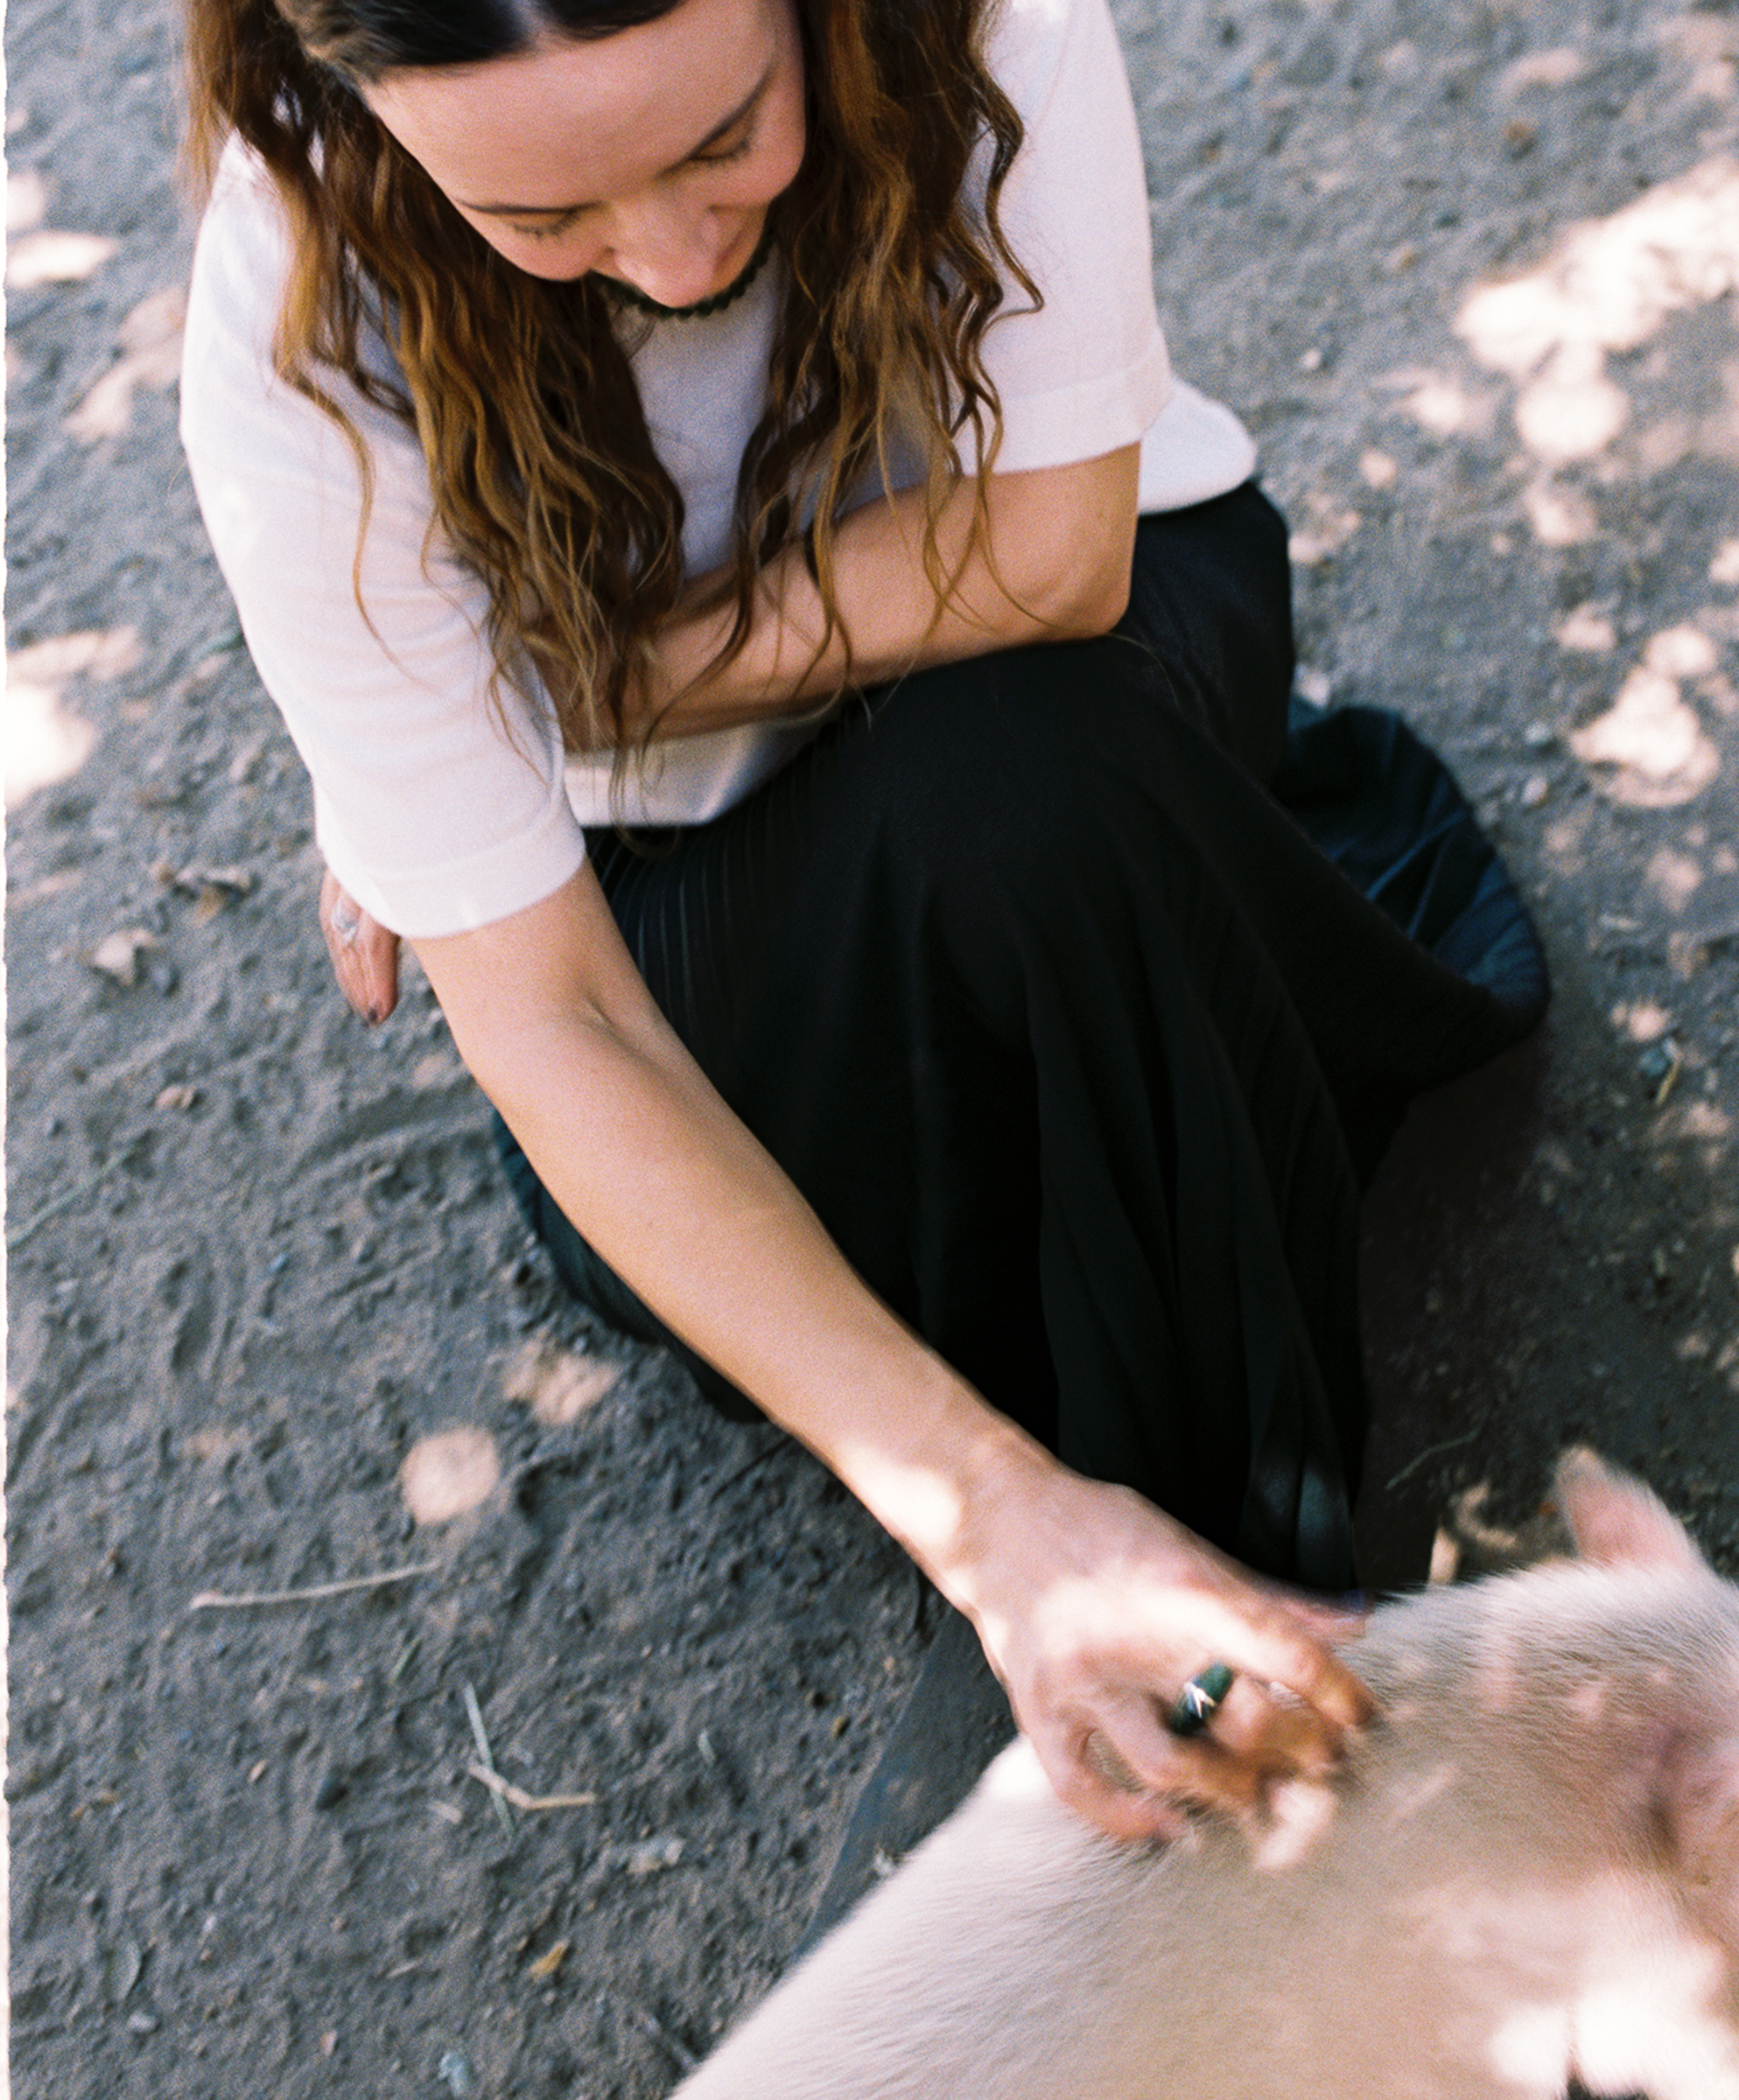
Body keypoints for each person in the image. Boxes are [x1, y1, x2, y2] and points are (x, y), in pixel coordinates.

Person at [179, 0, 1546, 1921]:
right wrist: (991, 1523)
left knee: (1030, 790)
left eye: (725, 133)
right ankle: (1064, 1528)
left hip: (1087, 659)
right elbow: (553, 1015)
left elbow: (1058, 553)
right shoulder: (289, 339)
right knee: (737, 1141)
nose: (668, 258)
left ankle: (1255, 1602)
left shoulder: (984, 17)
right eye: (542, 214)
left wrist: (566, 689)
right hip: (698, 847)